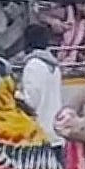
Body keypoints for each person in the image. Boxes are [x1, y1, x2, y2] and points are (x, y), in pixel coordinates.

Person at [19, 24, 65, 153]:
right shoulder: (55, 67)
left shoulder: (33, 65)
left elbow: (30, 103)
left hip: (39, 136)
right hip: (56, 133)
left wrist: (15, 95)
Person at [35, 0, 85, 64]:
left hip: (70, 63)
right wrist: (53, 22)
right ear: (79, 5)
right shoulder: (65, 13)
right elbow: (40, 15)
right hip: (53, 58)